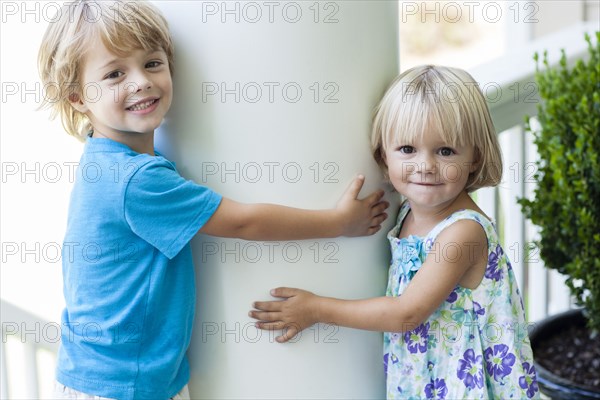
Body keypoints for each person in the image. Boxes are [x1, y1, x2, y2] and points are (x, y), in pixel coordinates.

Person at [37, 1, 388, 399]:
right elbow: (242, 222)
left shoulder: (106, 160)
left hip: (111, 374)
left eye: (152, 63)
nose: (141, 82)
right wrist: (337, 223)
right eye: (115, 73)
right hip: (122, 384)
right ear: (77, 98)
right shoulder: (135, 180)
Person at [250, 65, 540, 399]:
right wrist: (345, 220)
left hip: (463, 384)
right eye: (407, 149)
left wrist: (316, 309)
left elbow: (406, 313)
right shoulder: (406, 212)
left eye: (446, 151)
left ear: (474, 156)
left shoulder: (462, 234)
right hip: (426, 377)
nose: (425, 166)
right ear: (382, 156)